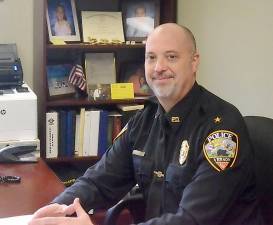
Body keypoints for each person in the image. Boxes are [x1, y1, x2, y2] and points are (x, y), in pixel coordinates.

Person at [28, 23, 264, 225]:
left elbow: (192, 220)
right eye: (151, 57)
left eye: (171, 57)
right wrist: (58, 208)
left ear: (194, 62)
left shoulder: (221, 131)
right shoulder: (146, 119)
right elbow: (99, 181)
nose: (159, 67)